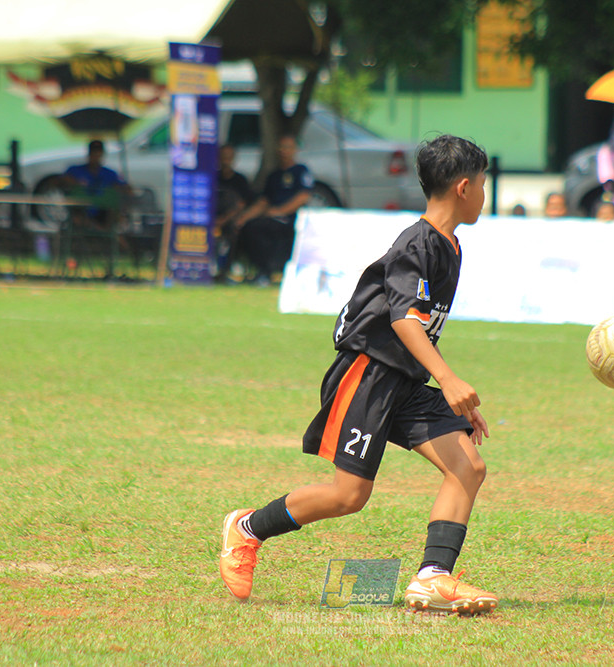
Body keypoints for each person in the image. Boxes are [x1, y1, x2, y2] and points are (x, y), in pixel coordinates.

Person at [219, 134, 498, 615]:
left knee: (467, 465)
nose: (485, 194)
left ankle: (433, 578)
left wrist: (450, 404)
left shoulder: (450, 245)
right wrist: (449, 382)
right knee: (349, 496)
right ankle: (246, 528)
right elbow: (404, 320)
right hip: (366, 376)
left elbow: (417, 330)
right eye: (485, 184)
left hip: (403, 380)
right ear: (465, 187)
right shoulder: (417, 243)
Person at [232, 134, 313, 283]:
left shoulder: (301, 171)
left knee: (262, 228)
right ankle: (257, 271)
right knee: (249, 227)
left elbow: (303, 197)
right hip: (271, 217)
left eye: (288, 147)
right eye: (281, 147)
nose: (284, 151)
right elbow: (264, 201)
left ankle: (268, 272)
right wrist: (245, 217)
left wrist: (280, 211)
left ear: (295, 150)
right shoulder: (274, 175)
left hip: (291, 219)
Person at [61, 139, 131, 231]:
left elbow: (127, 189)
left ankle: (104, 231)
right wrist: (72, 182)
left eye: (98, 154)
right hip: (81, 211)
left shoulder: (110, 174)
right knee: (77, 216)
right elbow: (59, 182)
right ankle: (99, 230)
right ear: (89, 154)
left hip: (103, 213)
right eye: (93, 153)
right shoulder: (75, 170)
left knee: (114, 213)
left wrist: (118, 189)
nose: (95, 157)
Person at [213, 143, 255, 281]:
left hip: (230, 221)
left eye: (229, 157)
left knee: (234, 232)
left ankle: (226, 269)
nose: (226, 160)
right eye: (223, 157)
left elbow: (241, 204)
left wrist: (223, 220)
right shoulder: (212, 178)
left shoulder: (240, 180)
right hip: (211, 219)